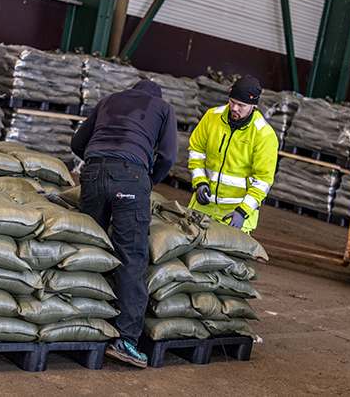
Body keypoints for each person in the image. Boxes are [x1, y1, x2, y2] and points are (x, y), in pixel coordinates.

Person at [70, 79, 178, 368]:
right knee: (131, 255)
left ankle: (76, 329)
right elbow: (168, 156)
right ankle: (126, 341)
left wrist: (100, 164)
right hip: (131, 176)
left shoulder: (108, 100)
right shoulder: (163, 107)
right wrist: (147, 180)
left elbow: (77, 143)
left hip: (91, 174)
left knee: (88, 248)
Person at [187, 74, 279, 234]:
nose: (234, 108)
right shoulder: (211, 117)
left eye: (241, 105)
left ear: (253, 106)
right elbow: (196, 153)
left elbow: (263, 181)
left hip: (234, 215)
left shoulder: (264, 135)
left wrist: (243, 212)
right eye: (232, 102)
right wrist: (200, 182)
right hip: (203, 206)